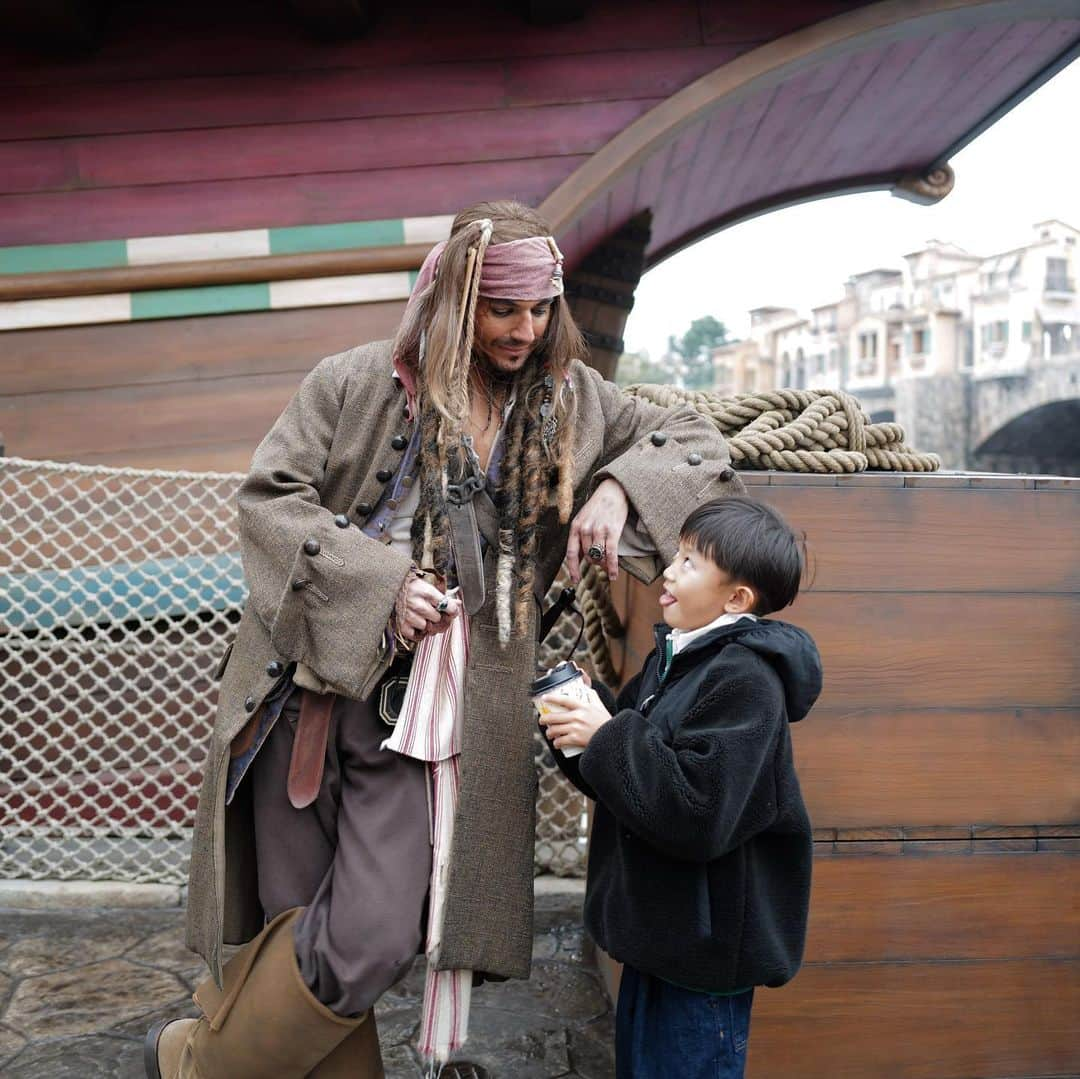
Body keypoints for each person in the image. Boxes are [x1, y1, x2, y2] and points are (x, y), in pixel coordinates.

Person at [145, 200, 742, 1079]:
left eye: (540, 311)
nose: (524, 330)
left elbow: (694, 439)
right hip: (303, 694)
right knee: (293, 924)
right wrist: (382, 586)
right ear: (455, 299)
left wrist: (616, 486)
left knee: (373, 933)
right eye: (503, 310)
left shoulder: (574, 398)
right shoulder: (352, 380)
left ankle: (191, 1061)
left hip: (423, 717)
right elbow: (269, 501)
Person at [538, 495, 822, 1079]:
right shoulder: (675, 658)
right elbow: (631, 784)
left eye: (690, 562)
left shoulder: (746, 681)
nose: (668, 570)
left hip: (703, 961)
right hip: (657, 942)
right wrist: (578, 729)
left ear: (736, 598)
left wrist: (607, 735)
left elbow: (699, 813)